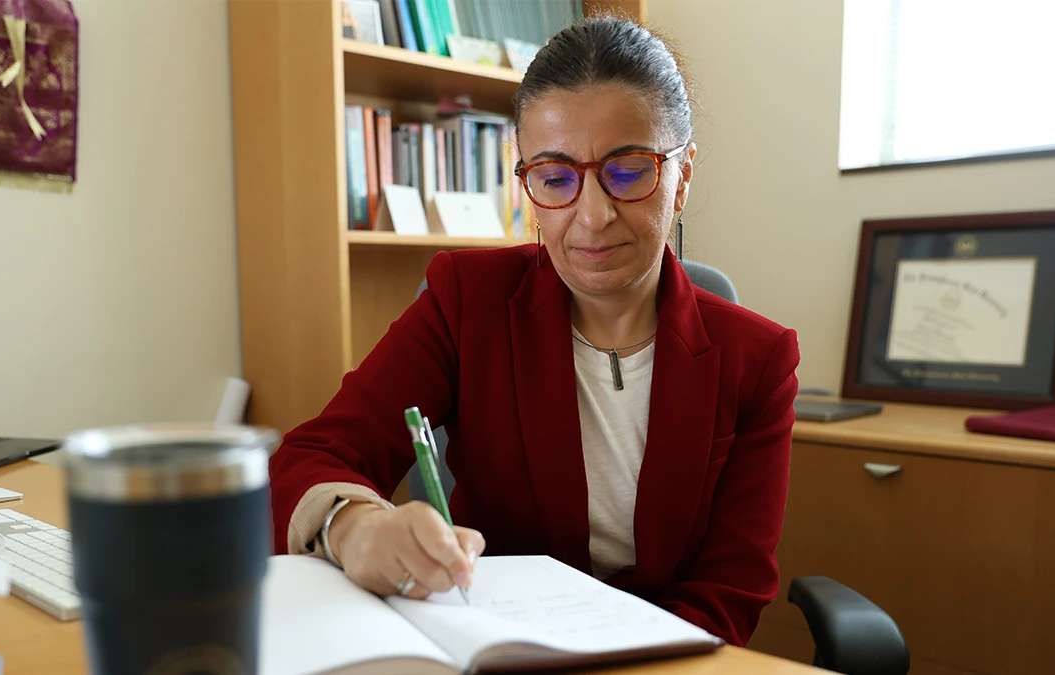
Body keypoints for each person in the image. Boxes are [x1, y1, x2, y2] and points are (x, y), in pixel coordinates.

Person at [269, 16, 800, 647]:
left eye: (628, 172)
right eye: (555, 178)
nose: (594, 215)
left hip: (663, 659)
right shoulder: (467, 302)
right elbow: (313, 457)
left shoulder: (758, 360)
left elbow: (727, 595)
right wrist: (354, 526)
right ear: (526, 183)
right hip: (489, 646)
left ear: (681, 177)